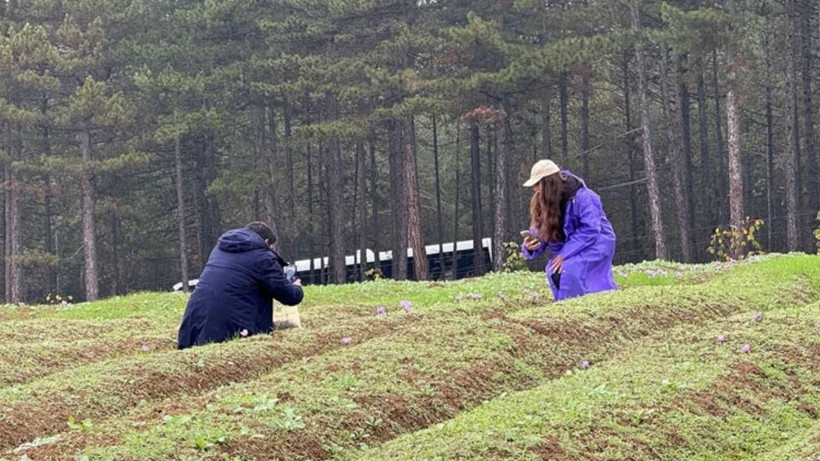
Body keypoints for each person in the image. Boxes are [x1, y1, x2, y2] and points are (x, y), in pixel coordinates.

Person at [177, 222, 304, 349]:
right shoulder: (263, 257)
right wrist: (296, 287)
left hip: (193, 326)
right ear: (266, 242)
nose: (272, 252)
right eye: (272, 248)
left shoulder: (220, 248)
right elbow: (290, 296)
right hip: (228, 330)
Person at [521, 160, 617, 301]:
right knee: (554, 271)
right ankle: (567, 305)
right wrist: (530, 246)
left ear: (549, 183)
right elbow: (541, 231)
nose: (535, 189)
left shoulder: (584, 197)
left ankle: (583, 304)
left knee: (570, 269)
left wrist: (565, 254)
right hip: (571, 246)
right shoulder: (543, 200)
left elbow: (591, 229)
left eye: (537, 184)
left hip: (597, 243)